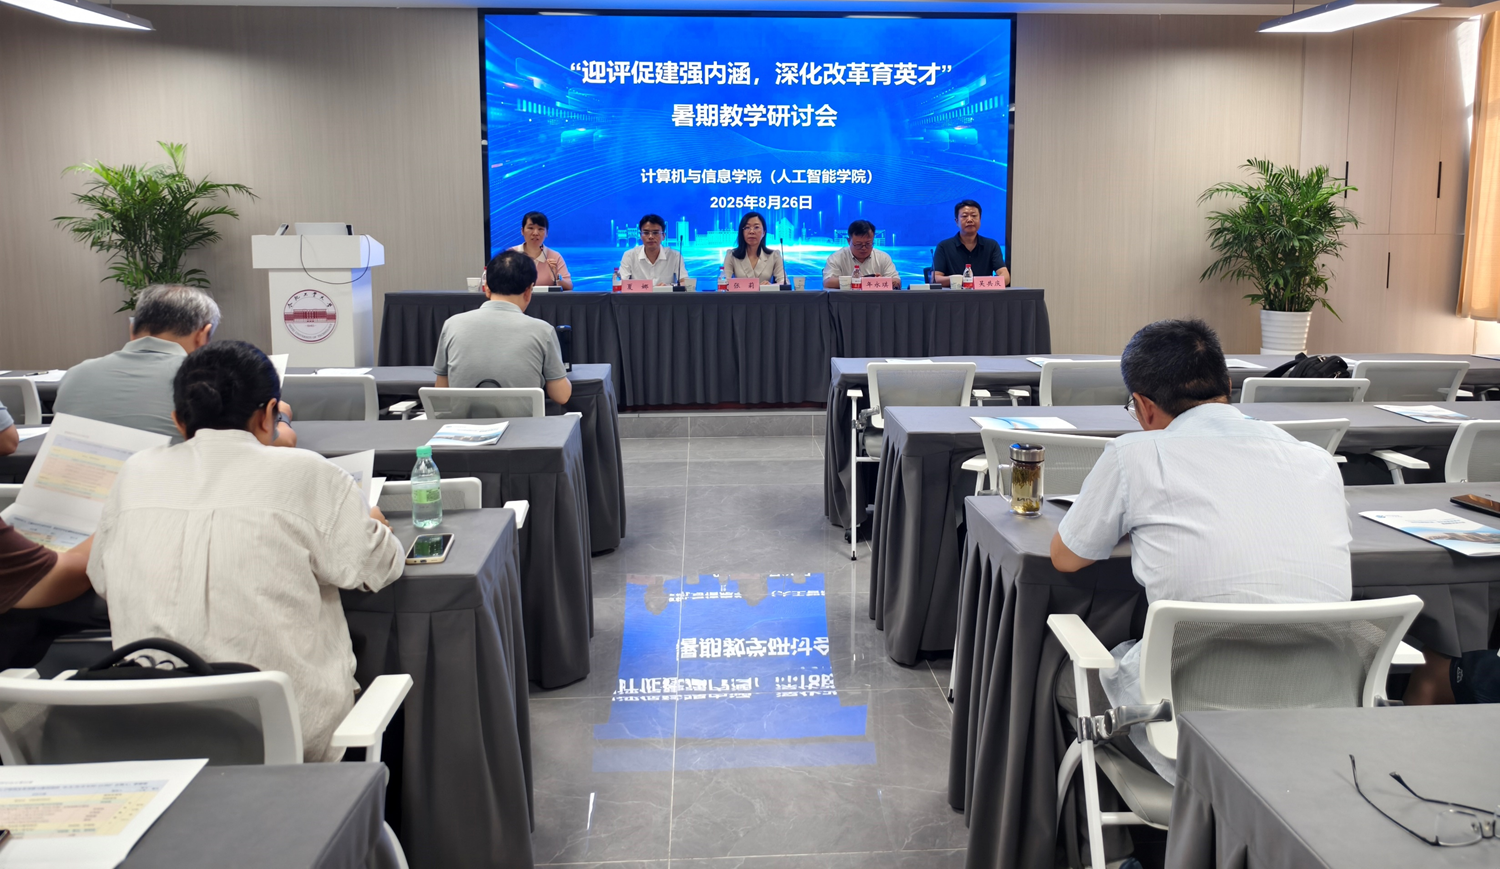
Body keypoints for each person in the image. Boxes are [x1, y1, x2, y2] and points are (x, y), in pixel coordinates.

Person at [1049, 319, 1351, 783]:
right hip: (1315, 726)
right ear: (1227, 385)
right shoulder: (1317, 460)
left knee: (1062, 680)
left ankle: (1118, 833)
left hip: (1188, 730)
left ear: (1144, 406)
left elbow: (1067, 557)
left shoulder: (1134, 455)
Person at [88, 341, 404, 762]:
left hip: (152, 737)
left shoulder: (134, 472)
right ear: (269, 413)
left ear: (179, 420)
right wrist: (372, 516)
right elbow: (377, 568)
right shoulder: (306, 471)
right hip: (286, 742)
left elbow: (101, 579)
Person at [54, 284, 297, 447]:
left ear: (132, 329)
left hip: (81, 501)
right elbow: (278, 444)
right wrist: (280, 415)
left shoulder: (76, 375)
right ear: (203, 334)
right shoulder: (204, 382)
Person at [433, 249, 572, 405]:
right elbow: (561, 396)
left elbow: (441, 391)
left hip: (462, 420)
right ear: (528, 291)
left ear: (487, 288)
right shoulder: (543, 331)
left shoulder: (452, 325)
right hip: (525, 421)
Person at [932, 199, 1010, 287]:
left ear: (980, 219)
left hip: (983, 295)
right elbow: (935, 279)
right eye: (964, 216)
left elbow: (1006, 277)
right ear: (956, 221)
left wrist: (980, 282)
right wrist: (962, 280)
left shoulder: (991, 245)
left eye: (974, 216)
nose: (969, 220)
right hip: (954, 295)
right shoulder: (944, 246)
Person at [822, 220, 901, 288]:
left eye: (868, 244)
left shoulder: (883, 257)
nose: (863, 248)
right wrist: (862, 281)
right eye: (858, 244)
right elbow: (828, 282)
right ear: (849, 241)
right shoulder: (836, 257)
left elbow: (897, 282)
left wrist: (881, 281)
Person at [509, 211, 572, 291]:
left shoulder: (555, 256)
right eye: (530, 228)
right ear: (522, 231)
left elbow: (569, 286)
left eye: (540, 229)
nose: (535, 233)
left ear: (546, 233)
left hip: (546, 299)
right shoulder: (510, 254)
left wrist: (556, 277)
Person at [618, 214, 686, 287]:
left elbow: (686, 283)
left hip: (665, 294)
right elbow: (622, 283)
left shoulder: (675, 256)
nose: (650, 237)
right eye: (646, 233)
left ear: (663, 236)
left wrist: (668, 287)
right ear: (640, 236)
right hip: (638, 295)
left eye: (655, 233)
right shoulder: (629, 256)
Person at [722, 212, 785, 284]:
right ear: (742, 232)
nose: (751, 232)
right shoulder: (731, 255)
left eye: (756, 227)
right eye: (747, 227)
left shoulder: (774, 255)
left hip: (767, 292)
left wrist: (770, 286)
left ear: (764, 233)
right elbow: (725, 282)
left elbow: (783, 282)